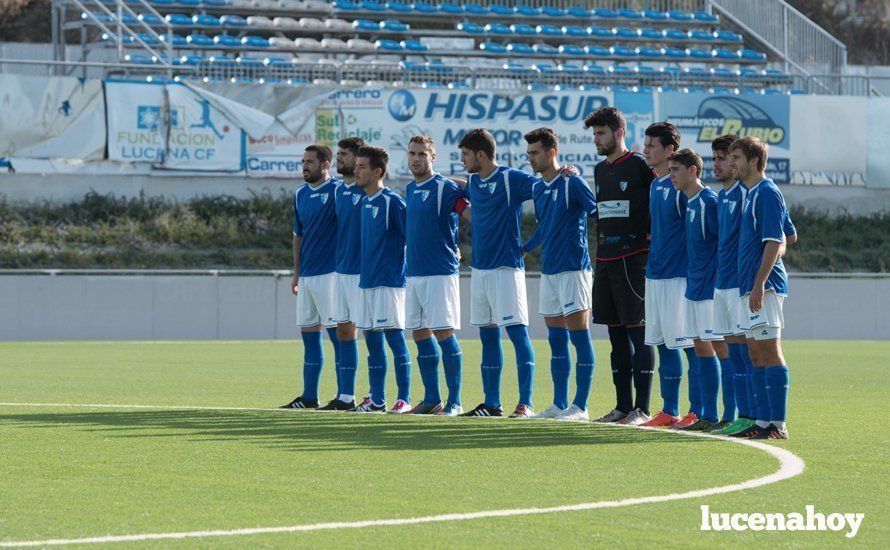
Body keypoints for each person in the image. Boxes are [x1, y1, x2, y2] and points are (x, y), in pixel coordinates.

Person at [457, 128, 538, 418]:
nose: (462, 160)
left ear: (481, 154)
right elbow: (460, 187)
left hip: (506, 269)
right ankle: (492, 403)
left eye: (465, 155)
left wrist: (528, 246)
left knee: (517, 334)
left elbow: (548, 192)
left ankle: (525, 403)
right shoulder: (473, 181)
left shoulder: (510, 178)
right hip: (480, 271)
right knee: (488, 336)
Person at [520, 128, 598, 421]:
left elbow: (596, 214)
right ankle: (558, 403)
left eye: (535, 152)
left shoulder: (573, 182)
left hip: (574, 269)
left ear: (551, 152)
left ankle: (580, 406)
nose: (530, 159)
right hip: (549, 271)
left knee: (580, 336)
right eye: (528, 153)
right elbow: (544, 226)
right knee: (556, 340)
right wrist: (525, 248)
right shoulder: (538, 188)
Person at [584, 107, 655, 425]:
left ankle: (642, 408)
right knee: (614, 336)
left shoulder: (640, 166)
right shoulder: (600, 171)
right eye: (594, 134)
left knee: (638, 333)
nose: (597, 139)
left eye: (601, 133)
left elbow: (661, 200)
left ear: (618, 132)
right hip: (605, 260)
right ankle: (622, 406)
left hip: (633, 259)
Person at [728, 137, 794, 439]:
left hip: (763, 287)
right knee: (756, 353)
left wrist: (760, 283)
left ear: (754, 161)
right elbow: (786, 234)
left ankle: (777, 424)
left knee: (769, 351)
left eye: (737, 157)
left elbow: (773, 241)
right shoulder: (751, 193)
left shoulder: (767, 192)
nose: (732, 163)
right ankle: (763, 421)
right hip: (749, 287)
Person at [638, 123, 700, 429]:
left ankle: (697, 409)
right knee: (662, 344)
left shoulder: (681, 189)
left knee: (688, 345)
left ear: (670, 151)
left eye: (652, 145)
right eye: (646, 144)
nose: (646, 149)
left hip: (678, 278)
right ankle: (669, 410)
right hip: (655, 276)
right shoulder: (655, 184)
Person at [403, 135, 471, 416]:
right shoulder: (409, 188)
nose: (416, 158)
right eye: (412, 153)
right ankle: (432, 398)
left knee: (444, 333)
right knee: (420, 335)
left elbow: (469, 211)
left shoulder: (445, 187)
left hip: (440, 273)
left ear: (433, 158)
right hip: (414, 272)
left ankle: (455, 401)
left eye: (421, 154)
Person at [349, 145, 412, 414]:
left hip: (389, 282)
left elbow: (412, 236)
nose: (356, 171)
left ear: (377, 171)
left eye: (362, 167)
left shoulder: (392, 201)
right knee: (372, 343)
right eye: (357, 166)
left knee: (395, 341)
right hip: (367, 282)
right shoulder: (364, 202)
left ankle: (403, 399)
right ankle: (377, 399)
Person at [666, 149, 724, 431]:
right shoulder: (689, 203)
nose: (671, 175)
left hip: (710, 289)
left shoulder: (709, 202)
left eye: (675, 169)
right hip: (693, 287)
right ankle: (707, 414)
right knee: (701, 348)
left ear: (692, 171)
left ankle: (724, 416)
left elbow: (723, 245)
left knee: (719, 349)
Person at [280, 145, 342, 409]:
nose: (304, 166)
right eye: (303, 161)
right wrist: (297, 272)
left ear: (325, 164)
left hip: (331, 274)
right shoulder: (300, 194)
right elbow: (298, 236)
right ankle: (309, 396)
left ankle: (345, 395)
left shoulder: (338, 190)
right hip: (307, 276)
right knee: (309, 337)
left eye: (310, 162)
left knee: (339, 337)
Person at [321, 137, 367, 411]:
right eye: (337, 154)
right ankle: (346, 396)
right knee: (343, 332)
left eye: (345, 155)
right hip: (341, 271)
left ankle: (378, 397)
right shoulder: (339, 191)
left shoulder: (371, 192)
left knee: (375, 333)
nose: (340, 159)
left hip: (366, 273)